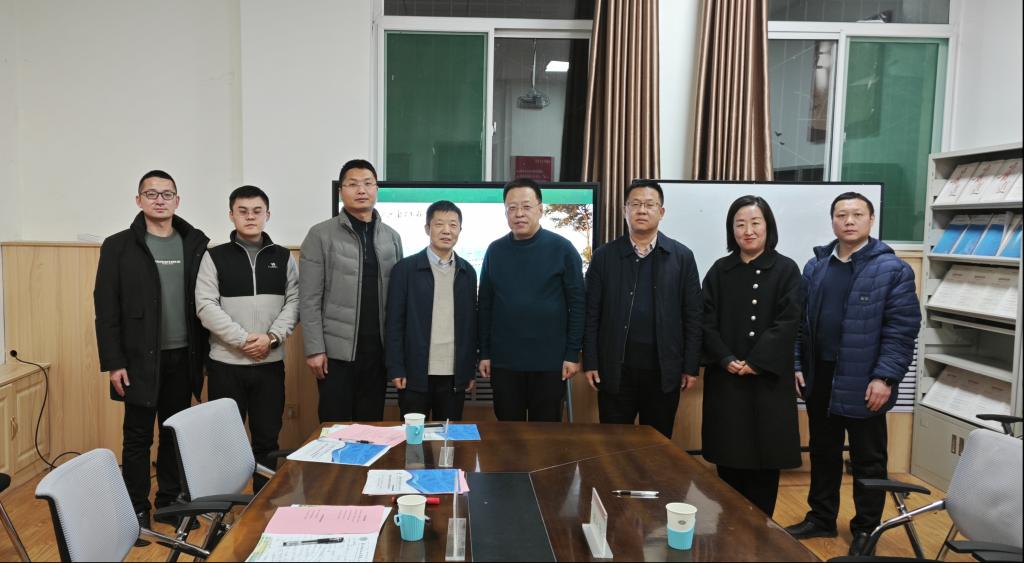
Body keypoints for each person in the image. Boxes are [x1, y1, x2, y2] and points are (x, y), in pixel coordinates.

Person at [784, 192, 921, 557]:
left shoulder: (892, 269)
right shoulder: (816, 266)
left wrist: (885, 378)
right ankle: (821, 517)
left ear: (870, 219)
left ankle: (866, 529)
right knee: (823, 452)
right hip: (820, 376)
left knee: (868, 459)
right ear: (832, 221)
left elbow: (902, 330)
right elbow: (801, 325)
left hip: (866, 380)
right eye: (841, 214)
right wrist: (797, 364)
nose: (848, 221)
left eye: (857, 214)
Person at [94, 170, 209, 531]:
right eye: (151, 193)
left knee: (174, 432)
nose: (160, 200)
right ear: (138, 200)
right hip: (138, 359)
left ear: (177, 200)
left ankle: (170, 502)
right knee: (138, 437)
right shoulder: (119, 245)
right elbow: (106, 308)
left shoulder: (194, 242)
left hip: (184, 355)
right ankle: (136, 509)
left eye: (166, 194)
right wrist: (114, 362)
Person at [700, 195, 802, 516]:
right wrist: (725, 357)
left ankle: (762, 532)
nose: (748, 231)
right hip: (727, 381)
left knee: (765, 463)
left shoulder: (786, 269)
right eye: (740, 224)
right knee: (728, 462)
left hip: (768, 383)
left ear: (768, 226)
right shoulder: (720, 270)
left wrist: (756, 362)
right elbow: (704, 320)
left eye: (755, 223)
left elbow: (789, 321)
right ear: (731, 230)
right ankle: (730, 530)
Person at [195, 185, 298, 493]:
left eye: (257, 211)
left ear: (268, 215)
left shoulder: (283, 257)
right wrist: (243, 340)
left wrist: (271, 338)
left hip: (270, 364)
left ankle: (262, 502)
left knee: (267, 439)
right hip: (226, 366)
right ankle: (225, 506)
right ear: (231, 215)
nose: (250, 217)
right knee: (226, 442)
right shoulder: (214, 257)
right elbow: (205, 306)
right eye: (243, 211)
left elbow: (294, 302)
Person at [583, 179, 703, 438]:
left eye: (649, 204)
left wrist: (690, 366)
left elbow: (693, 316)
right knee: (614, 443)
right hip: (615, 370)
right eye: (635, 204)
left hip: (663, 371)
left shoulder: (682, 257)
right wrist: (590, 361)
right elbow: (591, 313)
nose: (642, 210)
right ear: (624, 210)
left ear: (661, 211)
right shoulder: (604, 256)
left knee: (657, 444)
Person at [299, 159, 403, 423]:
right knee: (335, 426)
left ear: (377, 189)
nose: (361, 190)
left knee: (371, 426)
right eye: (353, 184)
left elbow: (399, 299)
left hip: (377, 352)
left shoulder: (391, 237)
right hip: (336, 353)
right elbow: (309, 298)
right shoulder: (320, 235)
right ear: (341, 191)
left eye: (368, 183)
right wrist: (314, 349)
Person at [478, 178, 584, 422]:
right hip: (505, 362)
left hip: (550, 363)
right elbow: (485, 305)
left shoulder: (563, 249)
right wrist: (484, 352)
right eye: (512, 208)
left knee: (546, 434)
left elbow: (578, 304)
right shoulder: (495, 251)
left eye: (526, 207)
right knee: (507, 432)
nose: (519, 214)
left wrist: (572, 353)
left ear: (540, 209)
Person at [386, 200, 477, 420]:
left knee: (449, 435)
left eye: (453, 225)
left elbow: (471, 326)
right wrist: (396, 367)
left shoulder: (467, 272)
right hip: (414, 373)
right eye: (439, 224)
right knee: (413, 435)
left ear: (460, 230)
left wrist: (468, 370)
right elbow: (394, 323)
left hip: (454, 375)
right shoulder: (405, 269)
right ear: (427, 228)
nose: (447, 230)